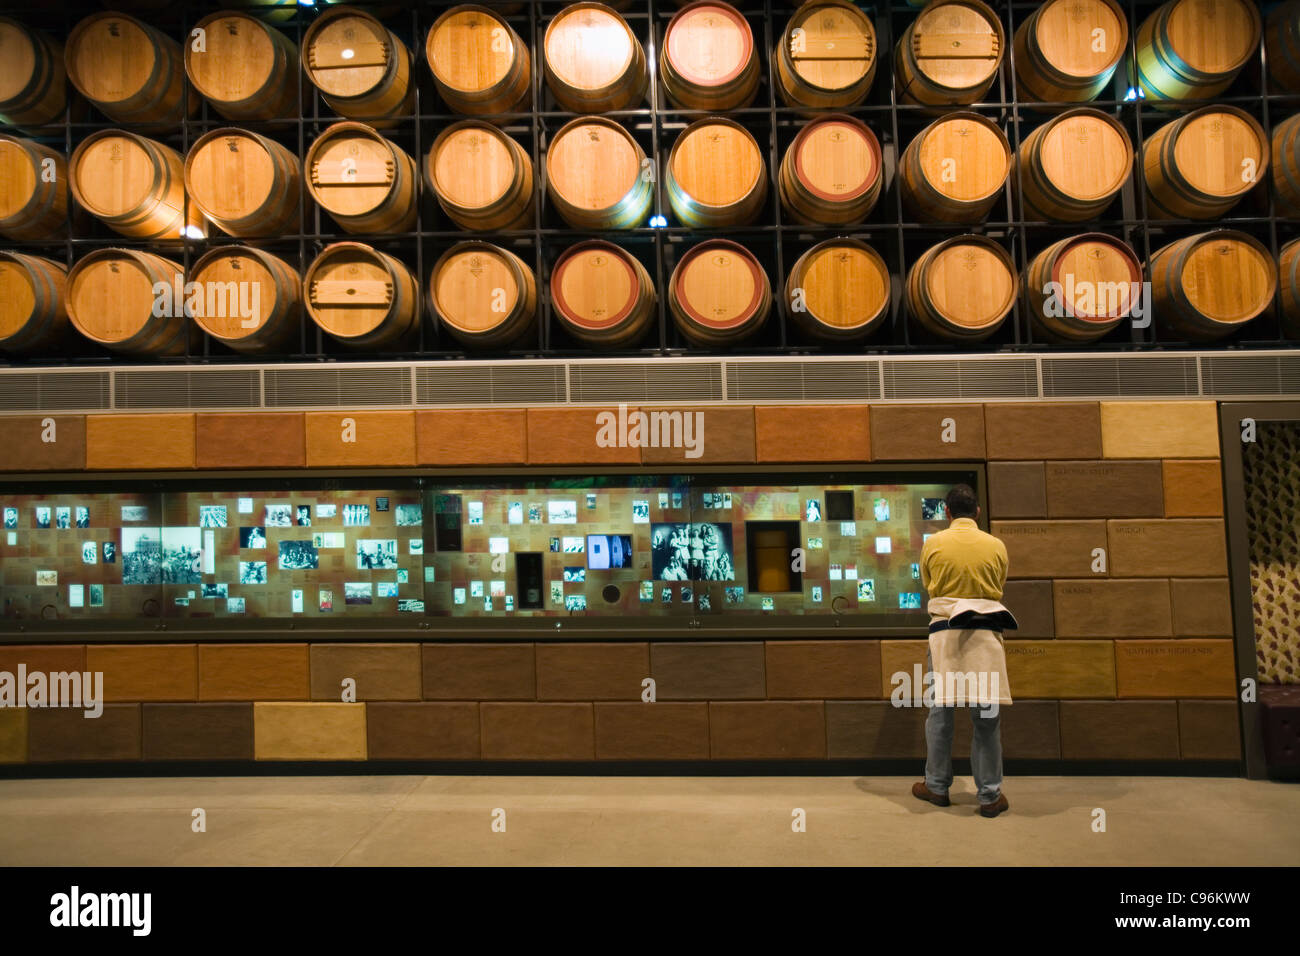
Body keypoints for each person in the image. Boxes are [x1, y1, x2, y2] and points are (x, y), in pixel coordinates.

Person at [912, 484, 1016, 819]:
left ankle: (937, 786)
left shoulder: (934, 545)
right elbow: (999, 585)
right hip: (985, 636)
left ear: (946, 512)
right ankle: (989, 796)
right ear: (978, 512)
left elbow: (928, 584)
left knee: (940, 715)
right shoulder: (995, 545)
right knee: (986, 718)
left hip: (944, 636)